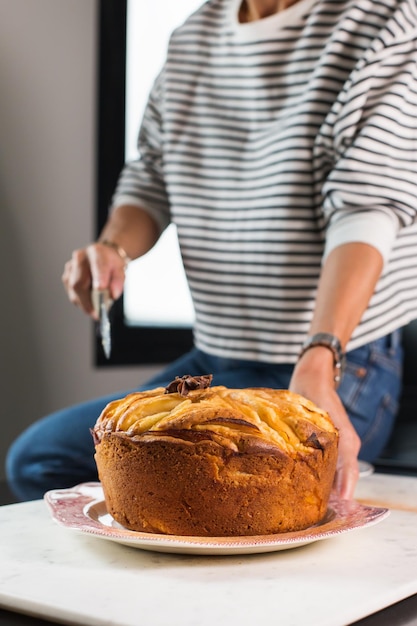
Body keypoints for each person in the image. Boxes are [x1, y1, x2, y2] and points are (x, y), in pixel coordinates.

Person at [6, 0, 417, 502]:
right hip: (218, 358)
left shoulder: (383, 19)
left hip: (339, 359)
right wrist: (113, 247)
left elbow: (365, 209)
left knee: (252, 497)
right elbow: (153, 175)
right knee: (39, 459)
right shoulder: (193, 36)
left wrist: (319, 357)